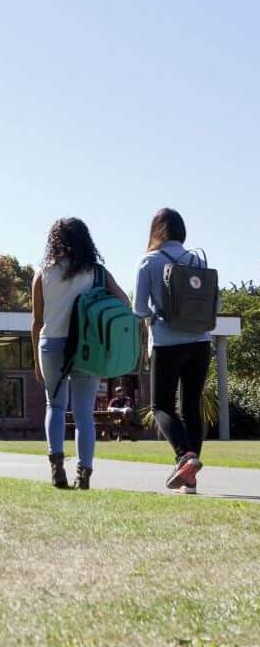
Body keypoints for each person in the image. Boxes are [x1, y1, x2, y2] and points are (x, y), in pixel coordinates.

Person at [31, 218, 129, 490]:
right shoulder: (96, 272)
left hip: (50, 344)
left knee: (55, 406)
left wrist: (34, 359)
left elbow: (37, 320)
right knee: (85, 413)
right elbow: (124, 303)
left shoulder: (43, 273)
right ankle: (84, 472)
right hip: (88, 346)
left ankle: (56, 467)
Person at [133, 208, 212, 493]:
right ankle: (190, 479)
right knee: (191, 405)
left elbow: (139, 308)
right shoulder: (198, 259)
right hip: (201, 341)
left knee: (161, 405)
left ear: (156, 230)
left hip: (167, 343)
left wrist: (151, 316)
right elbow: (213, 303)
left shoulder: (149, 261)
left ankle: (184, 457)